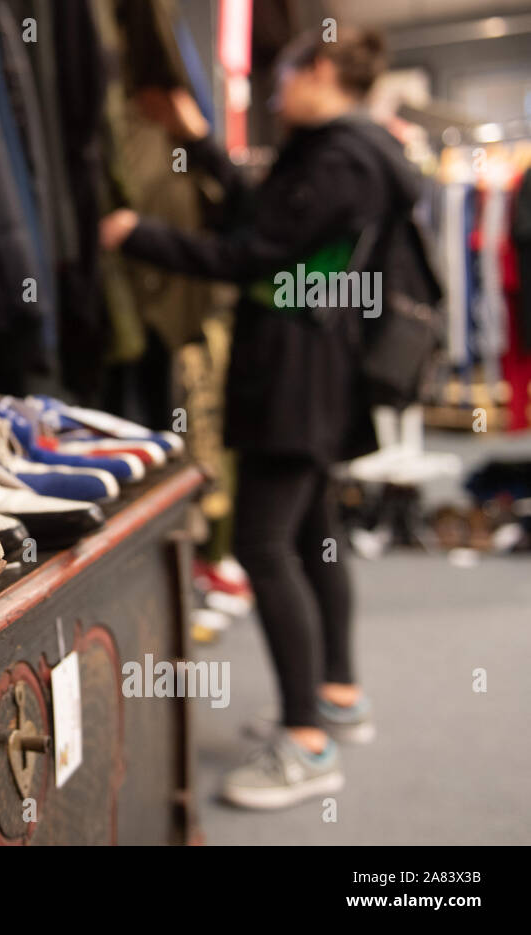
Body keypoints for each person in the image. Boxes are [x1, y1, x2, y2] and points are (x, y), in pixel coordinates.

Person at [101, 27, 417, 809]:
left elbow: (254, 255)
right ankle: (336, 695)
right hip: (315, 364)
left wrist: (140, 235)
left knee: (262, 544)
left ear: (319, 73)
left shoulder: (340, 159)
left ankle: (307, 742)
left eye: (283, 78)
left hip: (296, 372)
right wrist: (203, 144)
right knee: (313, 538)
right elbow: (263, 222)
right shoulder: (344, 150)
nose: (275, 95)